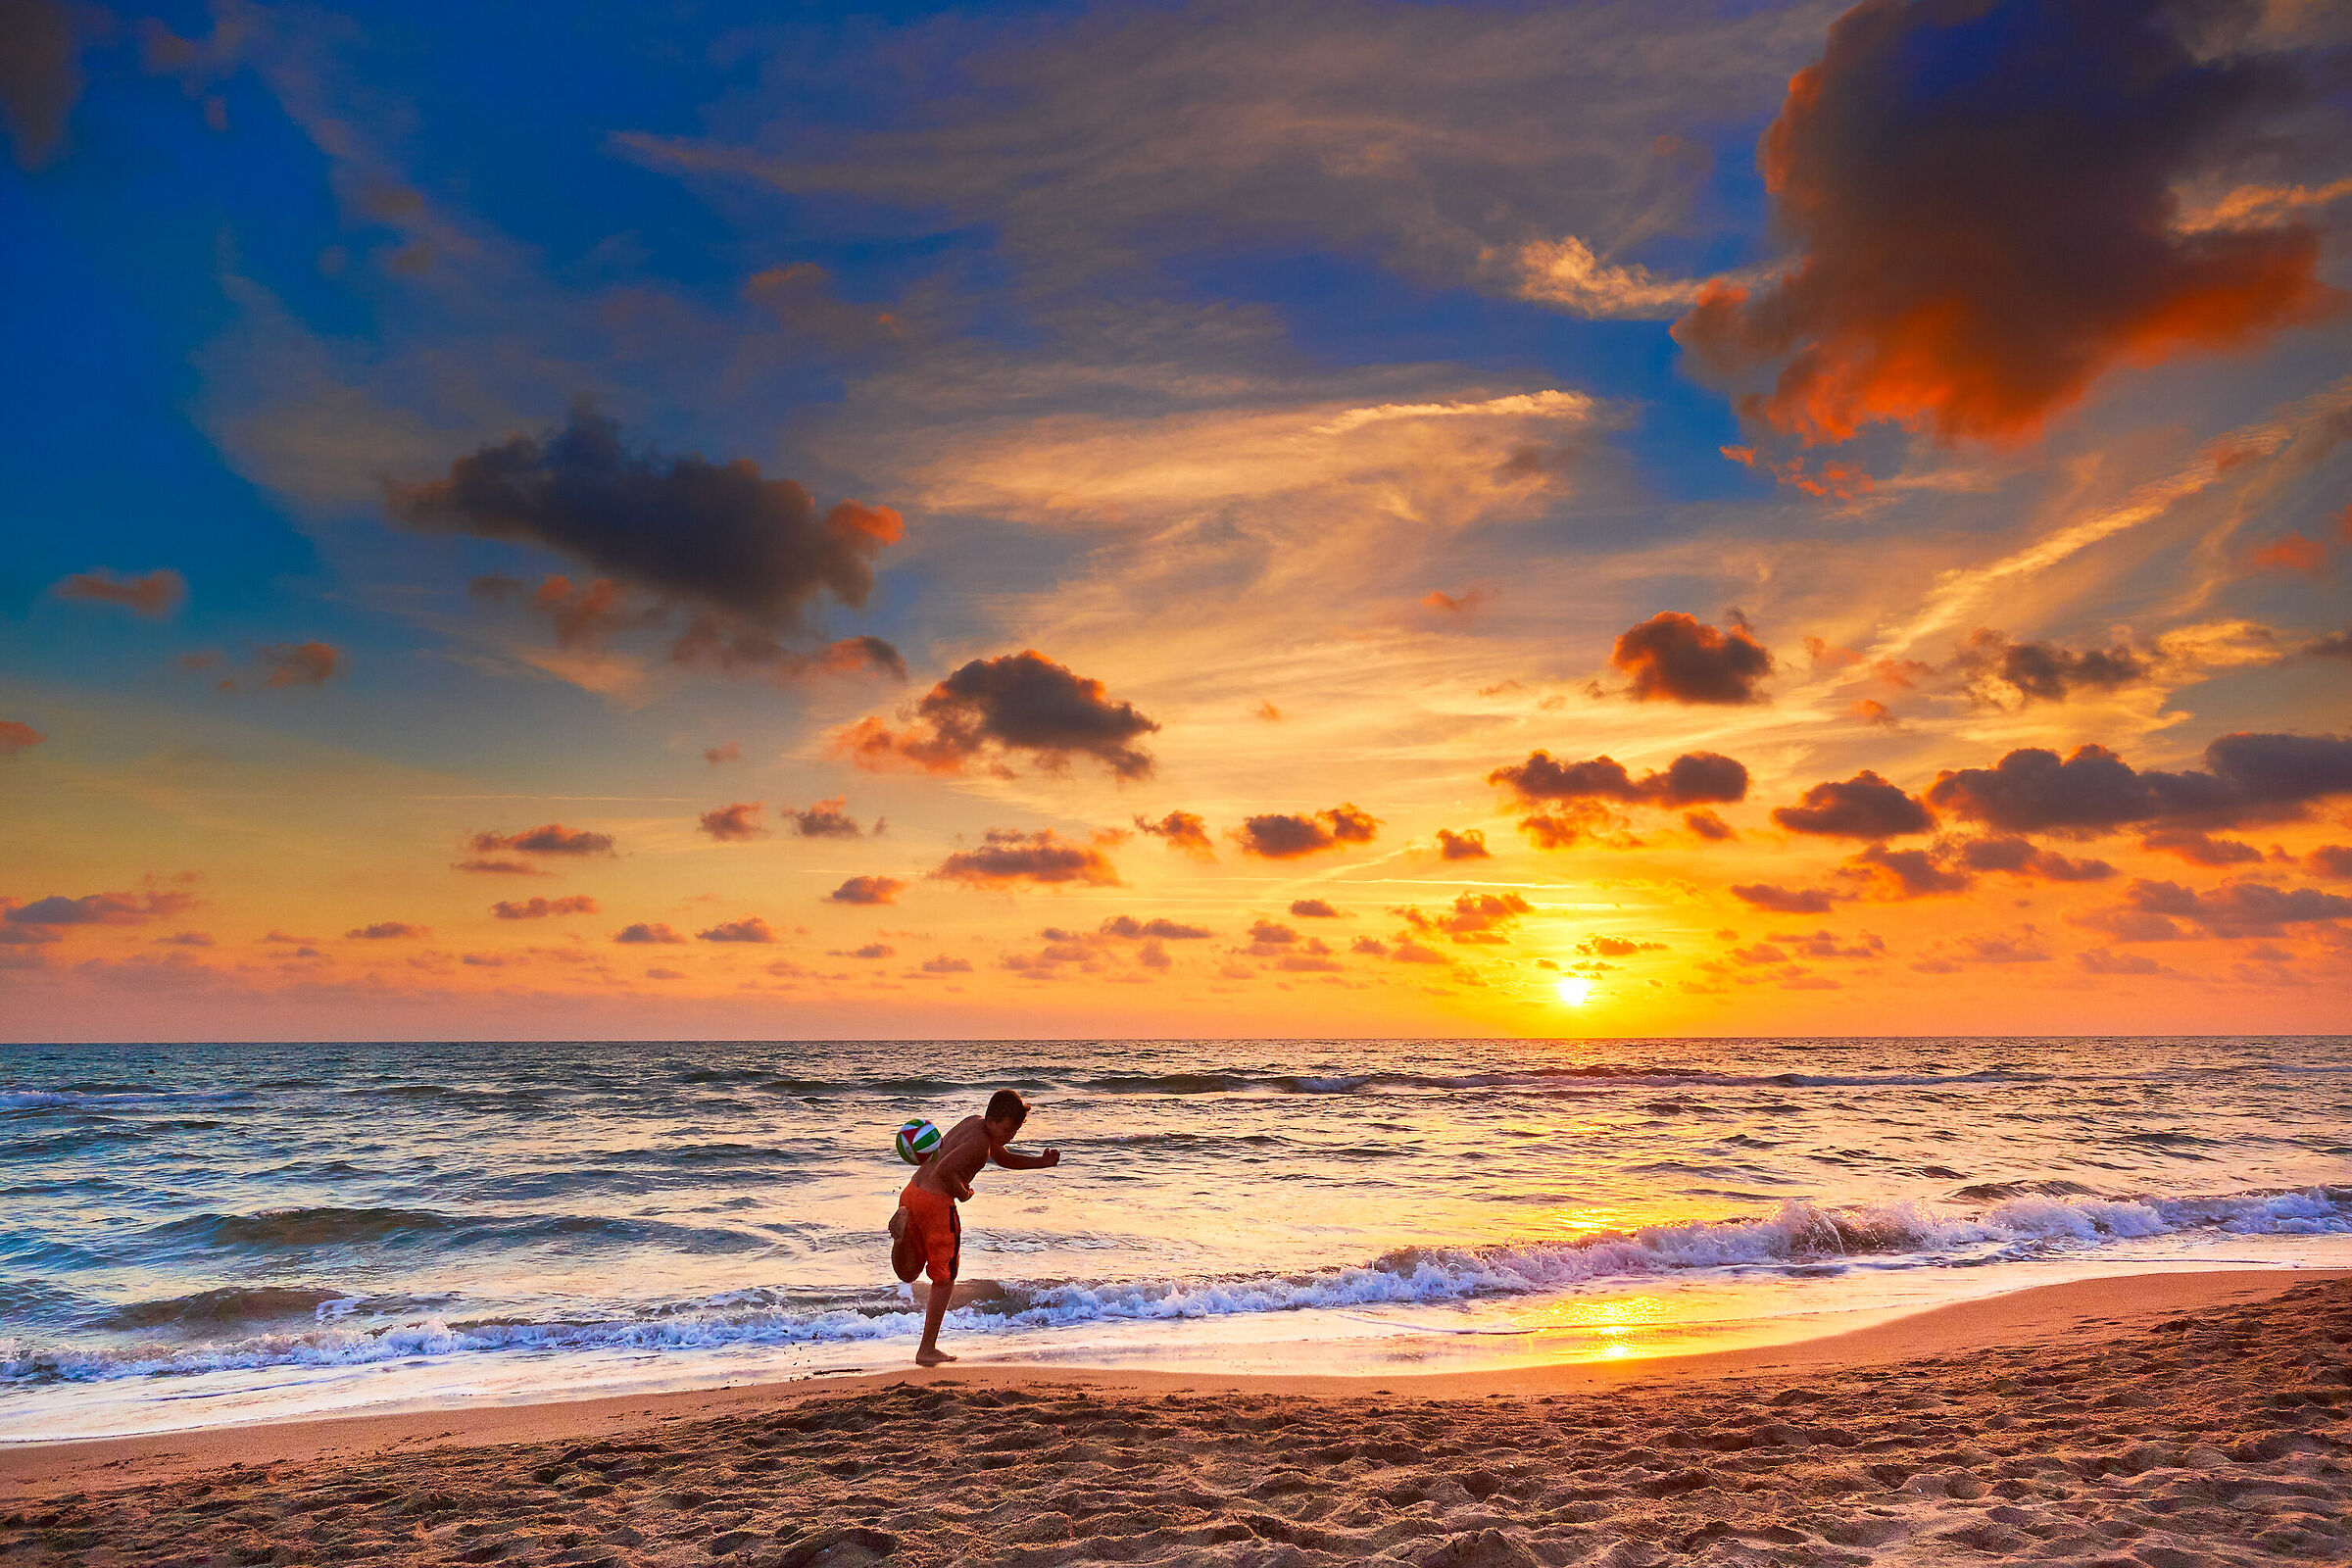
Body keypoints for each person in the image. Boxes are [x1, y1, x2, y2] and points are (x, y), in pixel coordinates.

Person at [889, 1089, 1060, 1365]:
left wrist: (1040, 1162)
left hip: (913, 1193)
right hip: (936, 1204)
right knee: (944, 1278)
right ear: (993, 1120)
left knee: (909, 1272)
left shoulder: (973, 1123)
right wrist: (963, 1193)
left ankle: (900, 1240)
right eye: (1008, 1129)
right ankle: (927, 1349)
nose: (1011, 1136)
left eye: (1015, 1131)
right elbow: (945, 1170)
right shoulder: (980, 1144)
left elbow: (1002, 1157)